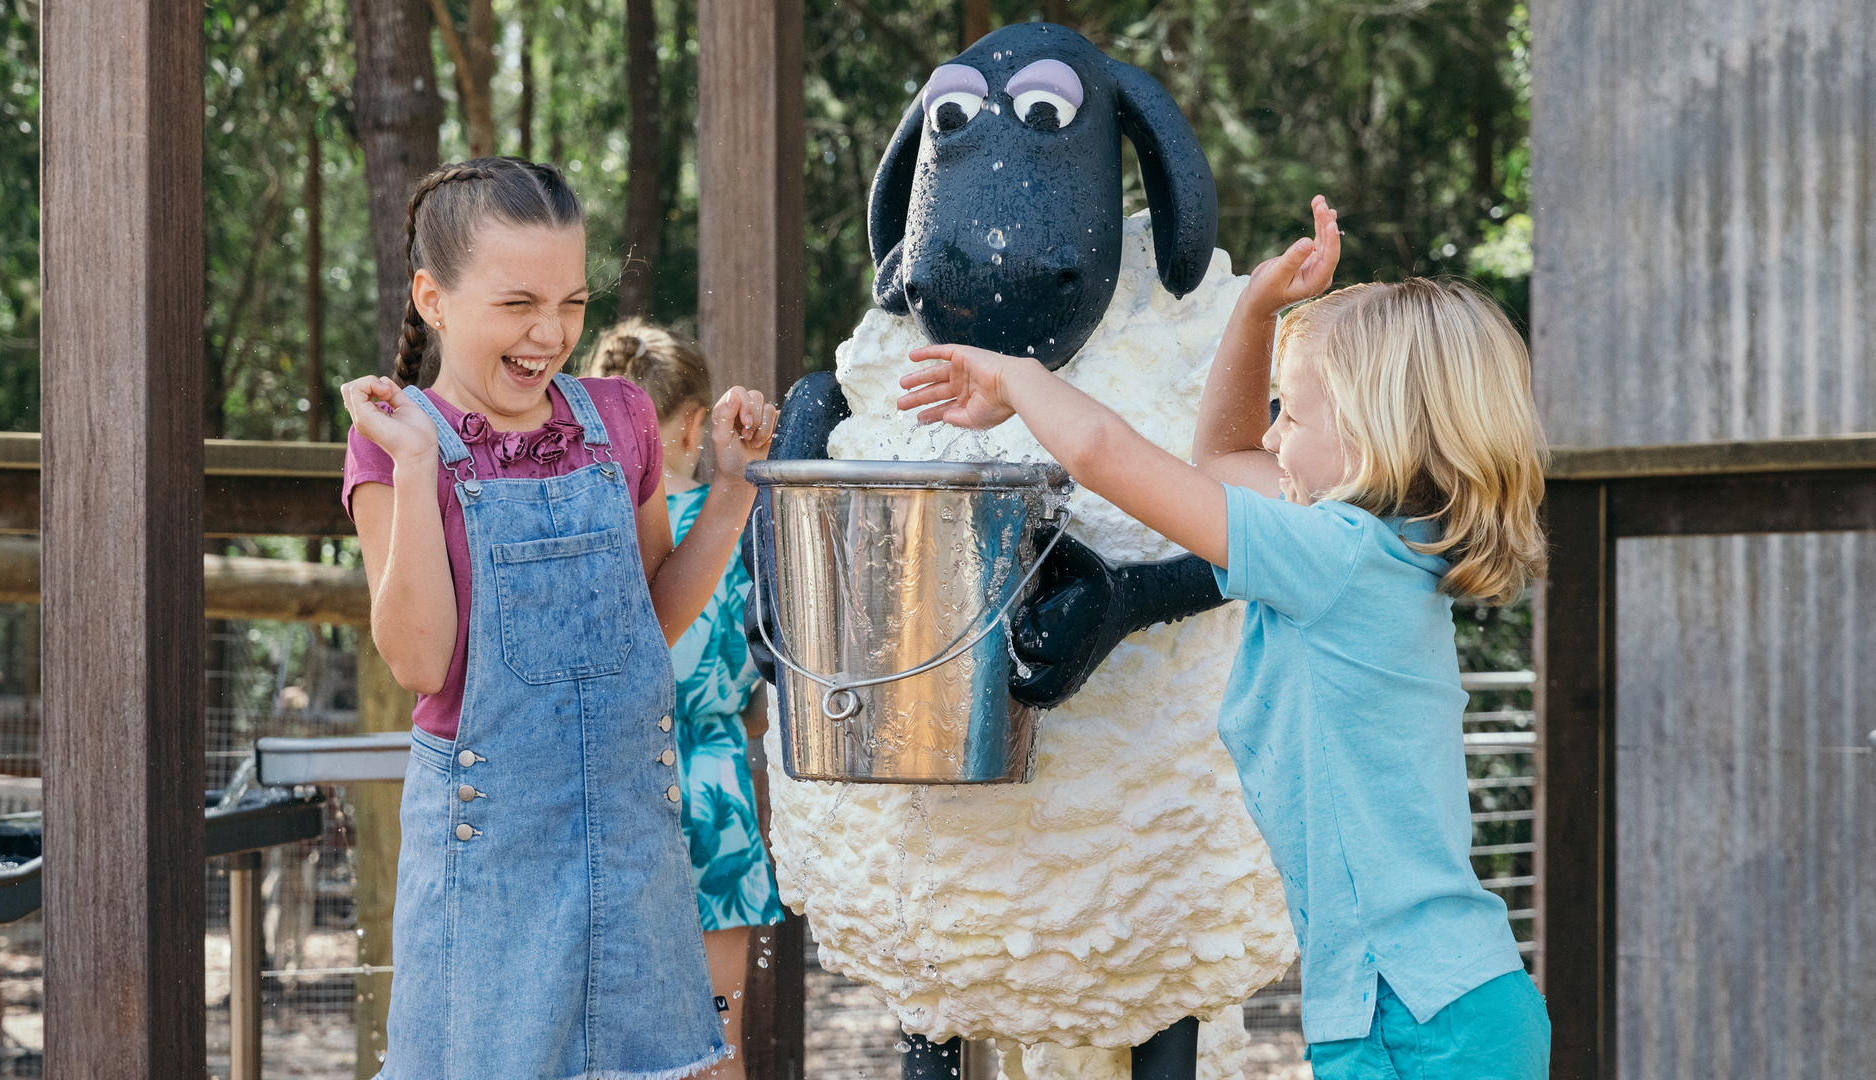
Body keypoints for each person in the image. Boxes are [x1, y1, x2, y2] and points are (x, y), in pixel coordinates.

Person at [895, 196, 1552, 1079]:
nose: (1273, 434)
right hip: (1442, 1005)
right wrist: (1256, 310)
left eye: (1297, 415)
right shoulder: (1371, 556)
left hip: (1408, 1015)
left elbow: (1106, 455)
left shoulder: (1333, 558)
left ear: (1371, 440)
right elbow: (1222, 462)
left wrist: (1016, 379)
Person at [338, 157, 778, 1080]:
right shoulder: (391, 437)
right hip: (486, 859)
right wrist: (417, 469)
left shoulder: (621, 418)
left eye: (573, 303)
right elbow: (420, 662)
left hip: (632, 845)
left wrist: (731, 495)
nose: (551, 333)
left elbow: (645, 621)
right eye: (517, 303)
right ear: (433, 298)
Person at [588, 319, 786, 1080]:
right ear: (696, 422)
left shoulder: (592, 519)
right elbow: (764, 671)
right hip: (716, 787)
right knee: (717, 1043)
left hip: (612, 789)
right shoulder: (736, 523)